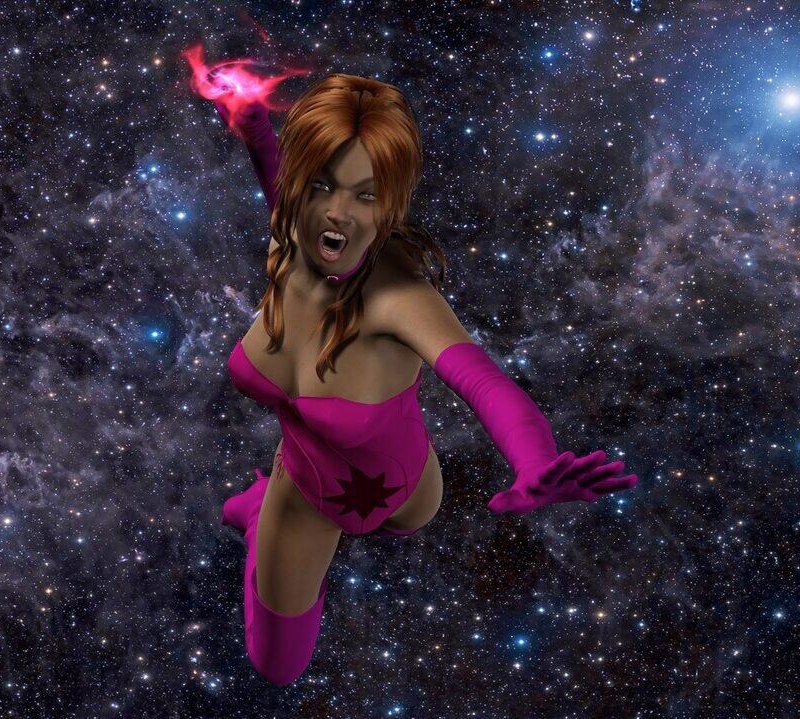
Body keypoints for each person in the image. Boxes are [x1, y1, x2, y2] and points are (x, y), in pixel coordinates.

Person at [214, 74, 638, 686]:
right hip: (304, 493)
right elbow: (278, 183)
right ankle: (261, 512)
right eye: (322, 186)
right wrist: (254, 124)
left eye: (366, 195)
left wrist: (535, 462)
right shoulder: (291, 240)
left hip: (410, 495)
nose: (337, 213)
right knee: (276, 668)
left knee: (403, 520)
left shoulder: (401, 298)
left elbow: (486, 384)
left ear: (389, 202)